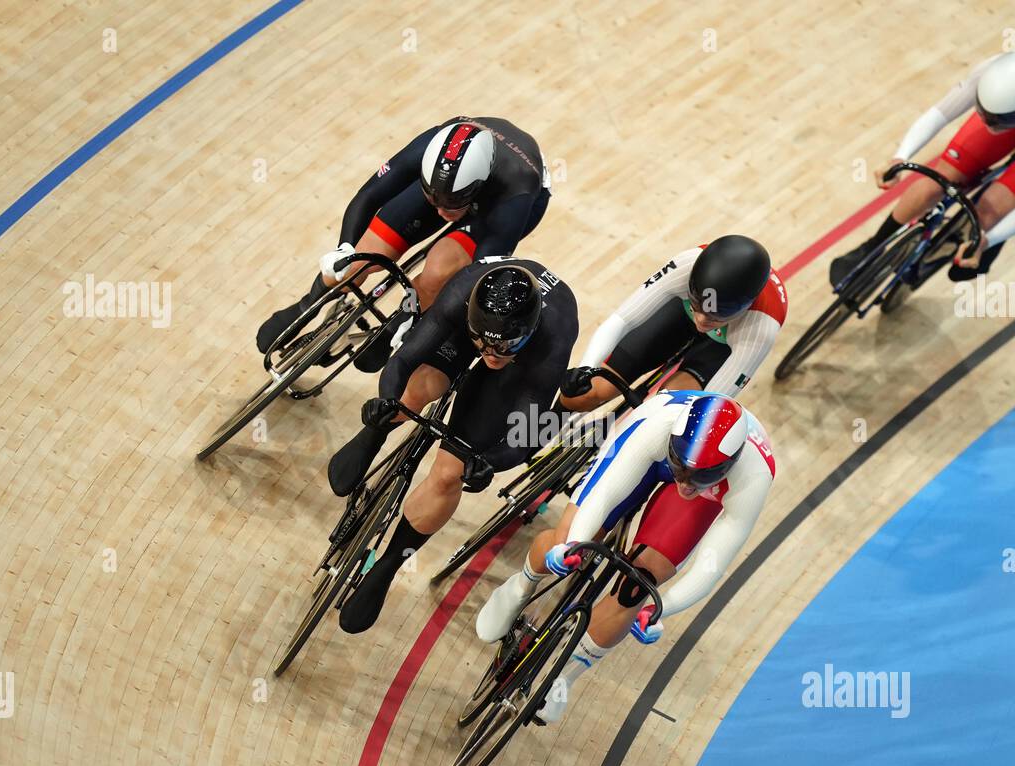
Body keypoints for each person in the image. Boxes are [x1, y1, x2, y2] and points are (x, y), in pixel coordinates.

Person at [474, 391, 776, 724]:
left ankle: (565, 674)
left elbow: (712, 564)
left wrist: (658, 610)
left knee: (639, 585)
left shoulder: (753, 475)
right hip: (648, 453)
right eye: (681, 469)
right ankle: (521, 586)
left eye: (699, 478)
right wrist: (571, 545)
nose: (685, 484)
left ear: (727, 465)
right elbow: (604, 496)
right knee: (573, 538)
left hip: (707, 489)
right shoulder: (658, 426)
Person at [329, 259, 578, 633]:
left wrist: (488, 463)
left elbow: (523, 436)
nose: (490, 355)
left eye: (502, 348)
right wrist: (386, 401)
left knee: (450, 471)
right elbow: (406, 358)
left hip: (522, 365)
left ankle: (388, 565)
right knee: (419, 386)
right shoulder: (461, 296)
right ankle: (375, 433)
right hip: (469, 326)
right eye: (484, 345)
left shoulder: (552, 339)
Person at [256, 117, 551, 365]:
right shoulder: (429, 148)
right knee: (357, 262)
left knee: (438, 273)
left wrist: (419, 323)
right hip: (450, 183)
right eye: (433, 200)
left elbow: (479, 276)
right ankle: (307, 306)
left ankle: (394, 326)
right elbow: (369, 196)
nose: (439, 212)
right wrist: (344, 248)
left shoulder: (516, 194)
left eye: (450, 204)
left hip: (500, 207)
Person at [828, 48, 1015, 288]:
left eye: (999, 119)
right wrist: (901, 157)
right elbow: (939, 114)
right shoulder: (990, 75)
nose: (991, 124)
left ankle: (977, 243)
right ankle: (872, 248)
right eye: (985, 113)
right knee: (936, 181)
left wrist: (987, 241)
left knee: (990, 210)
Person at [559, 236, 787, 411]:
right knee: (584, 393)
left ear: (743, 309)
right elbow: (622, 320)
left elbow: (712, 404)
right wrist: (585, 369)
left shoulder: (761, 328)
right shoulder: (686, 264)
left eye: (713, 318)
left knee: (665, 411)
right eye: (697, 306)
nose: (701, 321)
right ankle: (536, 435)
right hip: (679, 316)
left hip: (722, 347)